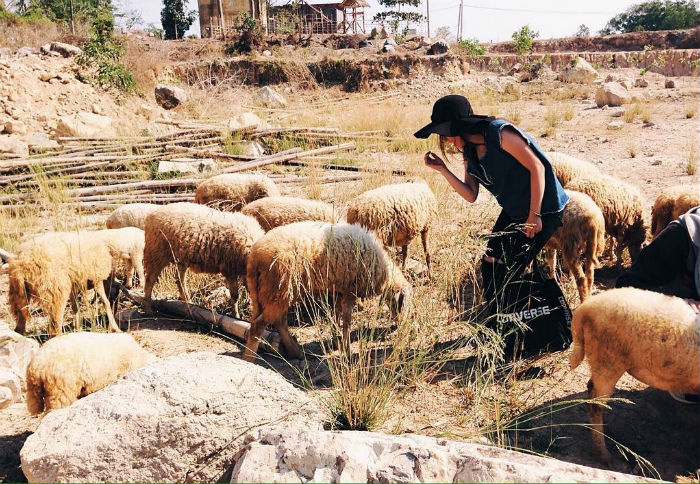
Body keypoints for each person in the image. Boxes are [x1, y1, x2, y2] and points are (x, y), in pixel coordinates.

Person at [415, 95, 569, 349]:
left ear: (459, 128)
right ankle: (501, 327)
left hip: (543, 208)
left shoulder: (499, 133)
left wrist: (535, 216)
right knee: (489, 265)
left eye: (447, 135)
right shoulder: (469, 151)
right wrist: (442, 169)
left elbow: (538, 168)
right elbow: (470, 194)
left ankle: (537, 337)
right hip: (515, 210)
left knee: (512, 270)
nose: (448, 142)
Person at [616, 205, 700, 404]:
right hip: (680, 327)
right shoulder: (680, 237)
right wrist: (677, 306)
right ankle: (683, 379)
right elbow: (625, 290)